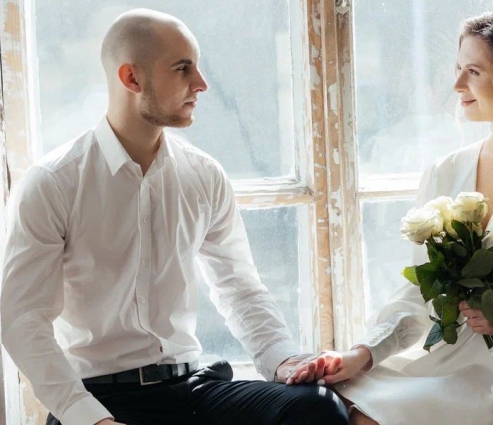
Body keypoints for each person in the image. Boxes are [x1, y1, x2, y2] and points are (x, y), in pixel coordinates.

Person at [0, 9, 348, 425]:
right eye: (183, 69)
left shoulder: (203, 175)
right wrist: (87, 417)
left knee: (317, 407)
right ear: (132, 78)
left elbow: (239, 288)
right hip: (99, 398)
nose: (201, 83)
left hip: (191, 389)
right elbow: (23, 319)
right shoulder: (54, 182)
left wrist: (283, 359)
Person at [286, 6, 493, 425]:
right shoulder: (446, 171)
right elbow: (422, 292)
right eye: (458, 69)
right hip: (452, 358)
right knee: (327, 408)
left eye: (473, 71)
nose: (456, 85)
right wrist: (364, 352)